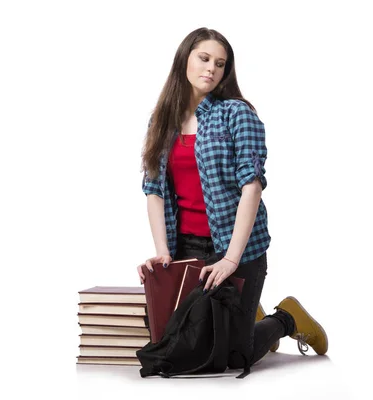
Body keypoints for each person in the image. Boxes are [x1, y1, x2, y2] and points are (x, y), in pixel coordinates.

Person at [136, 27, 328, 369]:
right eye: (204, 58)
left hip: (238, 248)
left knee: (235, 357)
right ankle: (244, 310)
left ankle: (288, 318)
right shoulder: (160, 120)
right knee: (182, 346)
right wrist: (163, 254)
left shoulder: (237, 114)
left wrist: (231, 260)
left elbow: (251, 187)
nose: (211, 68)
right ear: (184, 60)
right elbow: (154, 189)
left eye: (221, 64)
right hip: (187, 248)